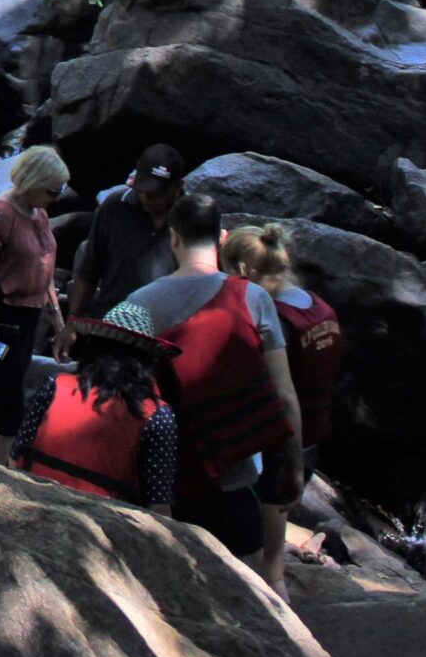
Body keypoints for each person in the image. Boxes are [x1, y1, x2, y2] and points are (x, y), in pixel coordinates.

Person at [122, 196, 303, 575]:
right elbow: (285, 395)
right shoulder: (253, 298)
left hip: (163, 482)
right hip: (235, 473)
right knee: (247, 584)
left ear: (173, 238)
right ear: (221, 238)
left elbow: (119, 396)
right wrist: (293, 466)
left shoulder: (136, 305)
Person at [225, 224, 345, 599]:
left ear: (246, 271)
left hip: (280, 432)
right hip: (315, 426)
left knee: (268, 516)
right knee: (278, 509)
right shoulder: (319, 307)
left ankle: (274, 590)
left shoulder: (272, 316)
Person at [12, 300, 182, 510]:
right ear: (147, 362)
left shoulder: (55, 384)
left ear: (93, 348)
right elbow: (159, 503)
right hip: (104, 521)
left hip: (32, 501)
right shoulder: (158, 416)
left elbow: (17, 453)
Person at [0, 145, 70, 465]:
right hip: (4, 316)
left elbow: (45, 268)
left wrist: (57, 321)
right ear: (34, 181)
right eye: (54, 190)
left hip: (30, 317)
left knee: (12, 391)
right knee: (5, 395)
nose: (58, 198)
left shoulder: (38, 213)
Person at [65, 143, 186, 332]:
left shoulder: (191, 218)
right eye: (142, 189)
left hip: (168, 330)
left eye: (157, 193)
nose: (147, 198)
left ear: (178, 187)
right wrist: (73, 321)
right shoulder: (114, 208)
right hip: (114, 324)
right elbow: (89, 270)